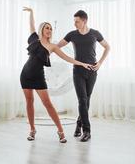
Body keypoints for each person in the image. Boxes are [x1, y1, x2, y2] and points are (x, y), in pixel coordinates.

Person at [20, 7, 93, 142]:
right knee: (29, 102)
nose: (49, 30)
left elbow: (67, 58)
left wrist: (81, 63)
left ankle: (60, 130)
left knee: (48, 103)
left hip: (38, 77)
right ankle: (32, 129)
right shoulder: (34, 39)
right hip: (25, 75)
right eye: (47, 28)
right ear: (42, 29)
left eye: (50, 29)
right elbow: (31, 25)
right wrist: (31, 12)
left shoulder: (53, 46)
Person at [57, 10, 110, 142]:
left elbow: (107, 47)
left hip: (92, 71)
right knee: (82, 100)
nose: (75, 24)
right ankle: (87, 131)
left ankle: (79, 123)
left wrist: (100, 63)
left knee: (87, 99)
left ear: (84, 21)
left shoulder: (95, 33)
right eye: (74, 21)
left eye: (77, 21)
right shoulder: (72, 35)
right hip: (78, 71)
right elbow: (57, 46)